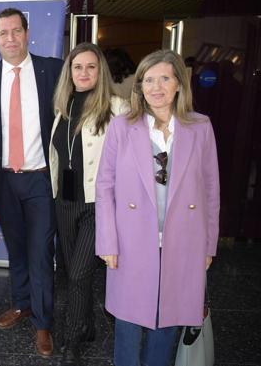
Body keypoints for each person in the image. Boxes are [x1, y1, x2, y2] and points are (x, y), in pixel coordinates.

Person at [95, 49, 220, 366]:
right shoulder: (123, 127)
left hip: (183, 240)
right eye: (148, 80)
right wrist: (107, 241)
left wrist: (209, 244)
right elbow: (105, 185)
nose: (156, 87)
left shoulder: (200, 127)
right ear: (139, 87)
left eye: (164, 78)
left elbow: (210, 190)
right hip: (131, 241)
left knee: (169, 320)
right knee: (128, 322)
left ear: (179, 83)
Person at [0, 7, 63, 357]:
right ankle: (22, 303)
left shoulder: (53, 71)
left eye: (15, 31)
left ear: (27, 33)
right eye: (3, 33)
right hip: (4, 181)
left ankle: (42, 323)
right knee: (18, 248)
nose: (10, 38)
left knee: (40, 252)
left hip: (41, 180)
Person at [49, 42, 130, 364]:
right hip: (65, 202)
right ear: (69, 72)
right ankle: (89, 326)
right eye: (77, 67)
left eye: (91, 67)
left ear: (101, 71)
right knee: (71, 270)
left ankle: (72, 341)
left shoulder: (117, 108)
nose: (83, 73)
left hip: (98, 204)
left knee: (80, 274)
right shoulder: (63, 107)